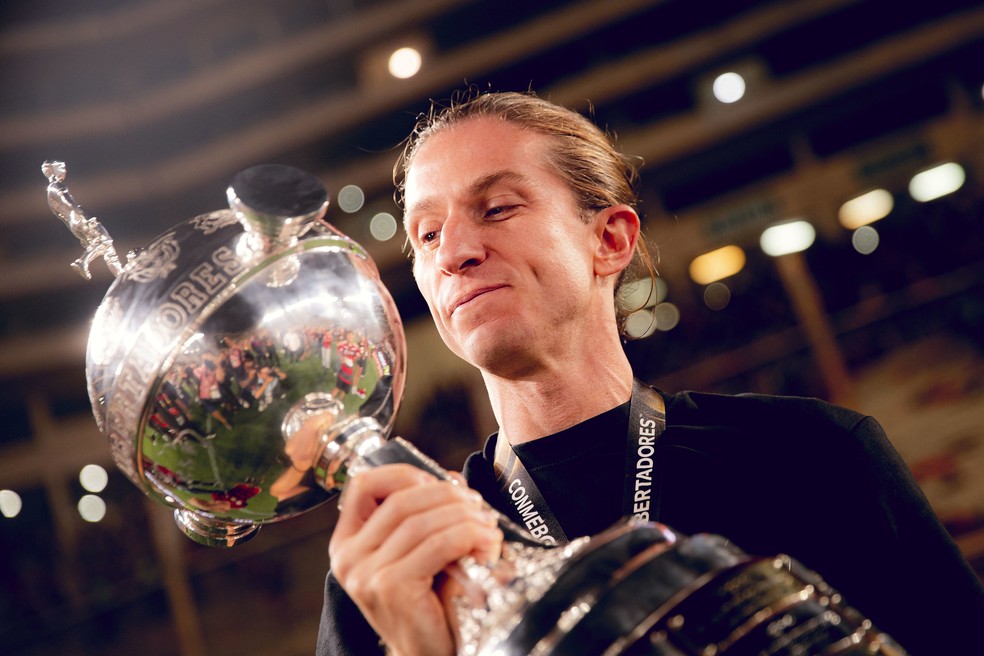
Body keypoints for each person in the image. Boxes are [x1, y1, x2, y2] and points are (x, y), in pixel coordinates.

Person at [316, 91, 984, 655]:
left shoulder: (815, 456)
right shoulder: (393, 563)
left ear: (609, 240)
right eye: (427, 234)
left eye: (497, 208)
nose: (454, 252)